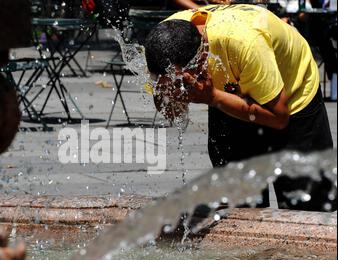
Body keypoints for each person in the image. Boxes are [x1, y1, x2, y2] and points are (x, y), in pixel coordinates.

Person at [144, 4, 336, 211]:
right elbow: (171, 111)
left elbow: (279, 118)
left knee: (306, 202)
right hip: (229, 89)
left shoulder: (244, 43)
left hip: (291, 94)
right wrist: (167, 92)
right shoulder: (164, 46)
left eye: (177, 79)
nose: (175, 83)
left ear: (199, 61)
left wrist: (215, 97)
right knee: (237, 201)